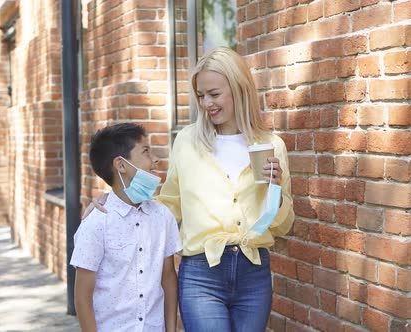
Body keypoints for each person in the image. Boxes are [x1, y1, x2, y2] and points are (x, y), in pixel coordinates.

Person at [85, 47, 294, 332]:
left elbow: (283, 226)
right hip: (201, 274)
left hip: (253, 273)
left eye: (214, 94)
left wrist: (276, 190)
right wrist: (114, 202)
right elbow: (168, 205)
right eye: (200, 96)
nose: (206, 103)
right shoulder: (187, 141)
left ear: (239, 88)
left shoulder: (272, 146)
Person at [71, 123, 182, 332]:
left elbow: (168, 278)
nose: (155, 160)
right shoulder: (96, 223)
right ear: (121, 165)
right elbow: (82, 298)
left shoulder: (162, 217)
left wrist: (171, 329)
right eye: (146, 151)